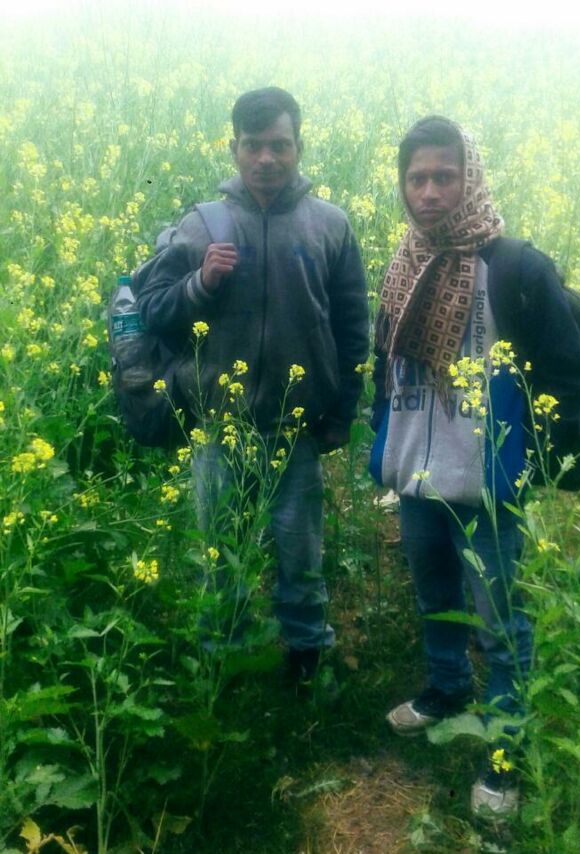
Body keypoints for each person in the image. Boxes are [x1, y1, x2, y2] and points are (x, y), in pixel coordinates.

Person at [369, 116, 580, 814]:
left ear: (471, 179)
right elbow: (384, 364)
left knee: (501, 623)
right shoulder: (402, 263)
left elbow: (567, 369)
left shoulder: (515, 267)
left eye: (445, 176)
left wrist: (540, 457)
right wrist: (383, 442)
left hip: (488, 482)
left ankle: (505, 752)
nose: (430, 192)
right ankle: (445, 689)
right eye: (417, 178)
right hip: (417, 474)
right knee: (434, 593)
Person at [137, 87, 369, 684]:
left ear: (299, 147)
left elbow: (352, 328)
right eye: (254, 145)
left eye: (280, 145)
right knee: (220, 550)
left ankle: (306, 652)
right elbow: (154, 311)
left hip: (295, 429)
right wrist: (200, 283)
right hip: (220, 424)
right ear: (234, 149)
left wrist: (341, 412)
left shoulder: (330, 225)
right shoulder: (200, 225)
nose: (267, 158)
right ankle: (225, 655)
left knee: (301, 550)